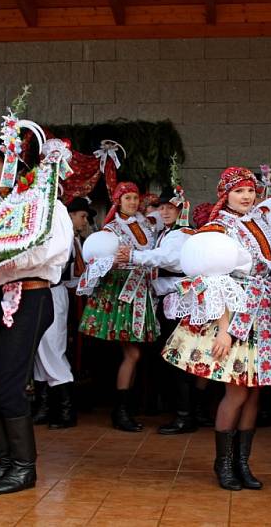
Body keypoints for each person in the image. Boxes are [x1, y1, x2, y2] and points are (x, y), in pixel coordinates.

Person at [163, 166, 271, 491]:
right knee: (236, 390)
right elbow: (213, 278)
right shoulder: (217, 228)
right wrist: (224, 329)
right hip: (235, 314)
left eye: (250, 190)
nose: (247, 196)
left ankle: (242, 463)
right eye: (239, 191)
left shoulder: (259, 221)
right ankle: (223, 463)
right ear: (226, 194)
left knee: (253, 392)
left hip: (264, 314)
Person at [0, 134, 73, 495]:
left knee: (9, 382)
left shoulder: (45, 203)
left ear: (13, 163)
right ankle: (6, 462)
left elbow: (56, 251)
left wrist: (4, 259)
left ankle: (24, 468)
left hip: (30, 295)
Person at [79, 181, 161, 432]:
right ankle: (121, 409)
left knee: (134, 353)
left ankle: (125, 406)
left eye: (136, 198)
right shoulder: (112, 229)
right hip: (121, 292)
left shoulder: (146, 224)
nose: (133, 203)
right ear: (118, 201)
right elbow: (98, 259)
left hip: (141, 293)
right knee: (132, 353)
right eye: (128, 199)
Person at [132, 185, 211, 435]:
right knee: (181, 357)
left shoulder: (180, 234)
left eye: (170, 208)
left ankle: (186, 415)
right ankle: (193, 411)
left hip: (180, 300)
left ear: (180, 210)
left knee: (179, 358)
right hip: (173, 299)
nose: (165, 211)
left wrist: (133, 256)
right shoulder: (167, 232)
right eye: (162, 207)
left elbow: (167, 259)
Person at [32, 197, 92, 429]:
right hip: (39, 292)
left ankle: (66, 409)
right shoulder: (63, 235)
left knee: (52, 348)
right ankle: (44, 406)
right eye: (82, 216)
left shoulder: (65, 237)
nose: (84, 221)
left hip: (52, 292)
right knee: (38, 349)